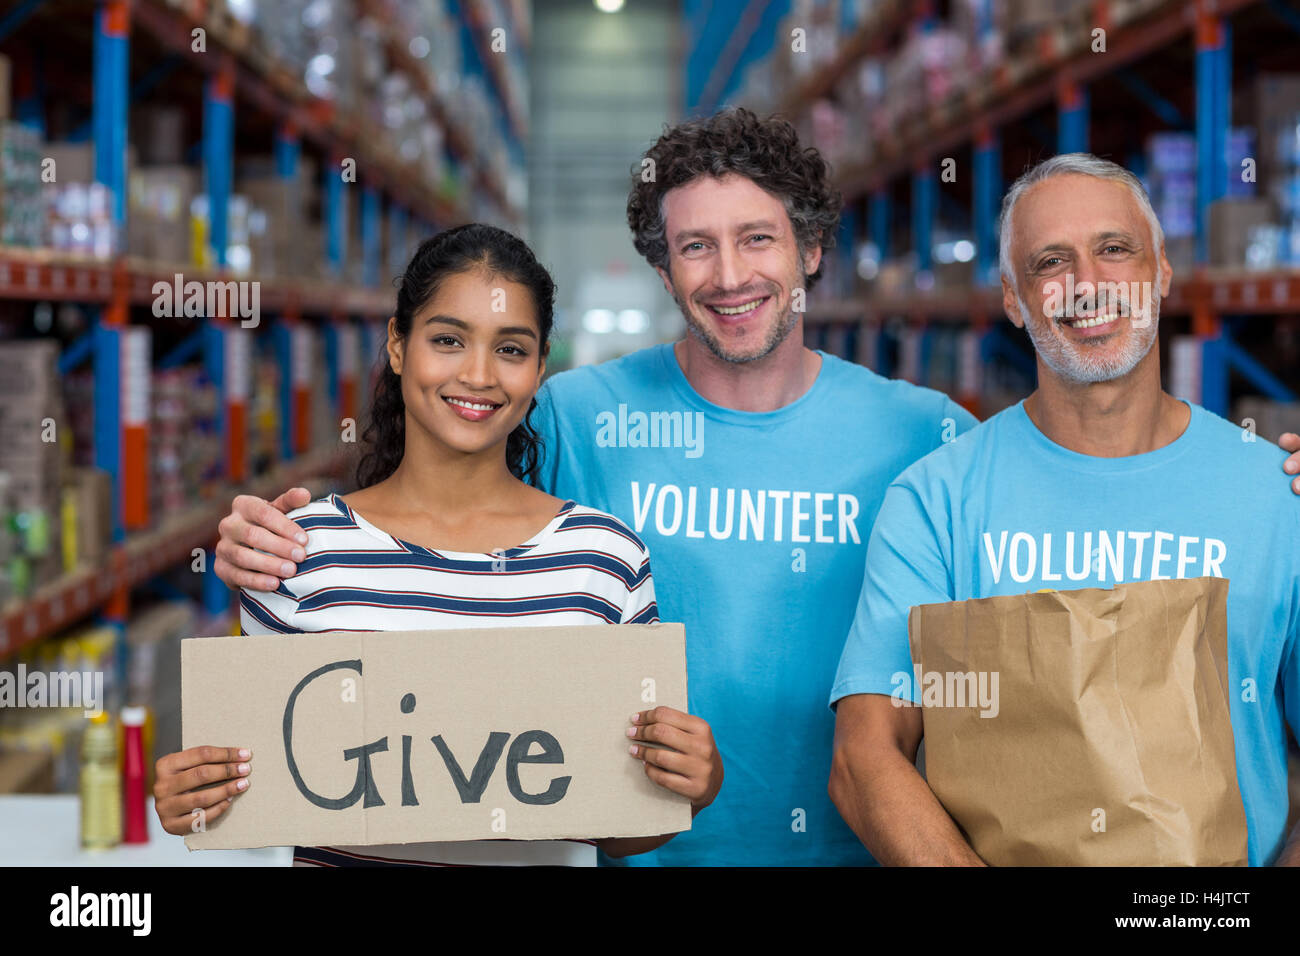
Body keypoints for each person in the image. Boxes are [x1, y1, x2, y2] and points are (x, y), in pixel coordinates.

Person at [209, 111, 1300, 866]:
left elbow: (1080, 481)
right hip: (631, 849)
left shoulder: (923, 434)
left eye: (756, 239)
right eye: (694, 247)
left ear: (812, 249)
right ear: (662, 266)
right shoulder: (577, 413)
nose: (729, 276)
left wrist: (1267, 474)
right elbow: (439, 466)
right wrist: (296, 526)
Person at [153, 224, 723, 866]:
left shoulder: (604, 561)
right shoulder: (300, 552)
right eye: (448, 340)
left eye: (510, 349)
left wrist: (684, 790)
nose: (478, 375)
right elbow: (265, 797)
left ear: (540, 369)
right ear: (399, 346)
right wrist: (198, 799)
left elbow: (620, 829)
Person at [828, 153, 1300, 867]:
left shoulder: (1278, 492)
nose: (1087, 284)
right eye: (1051, 262)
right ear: (1015, 300)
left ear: (1161, 273)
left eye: (1115, 250)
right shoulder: (937, 500)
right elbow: (865, 758)